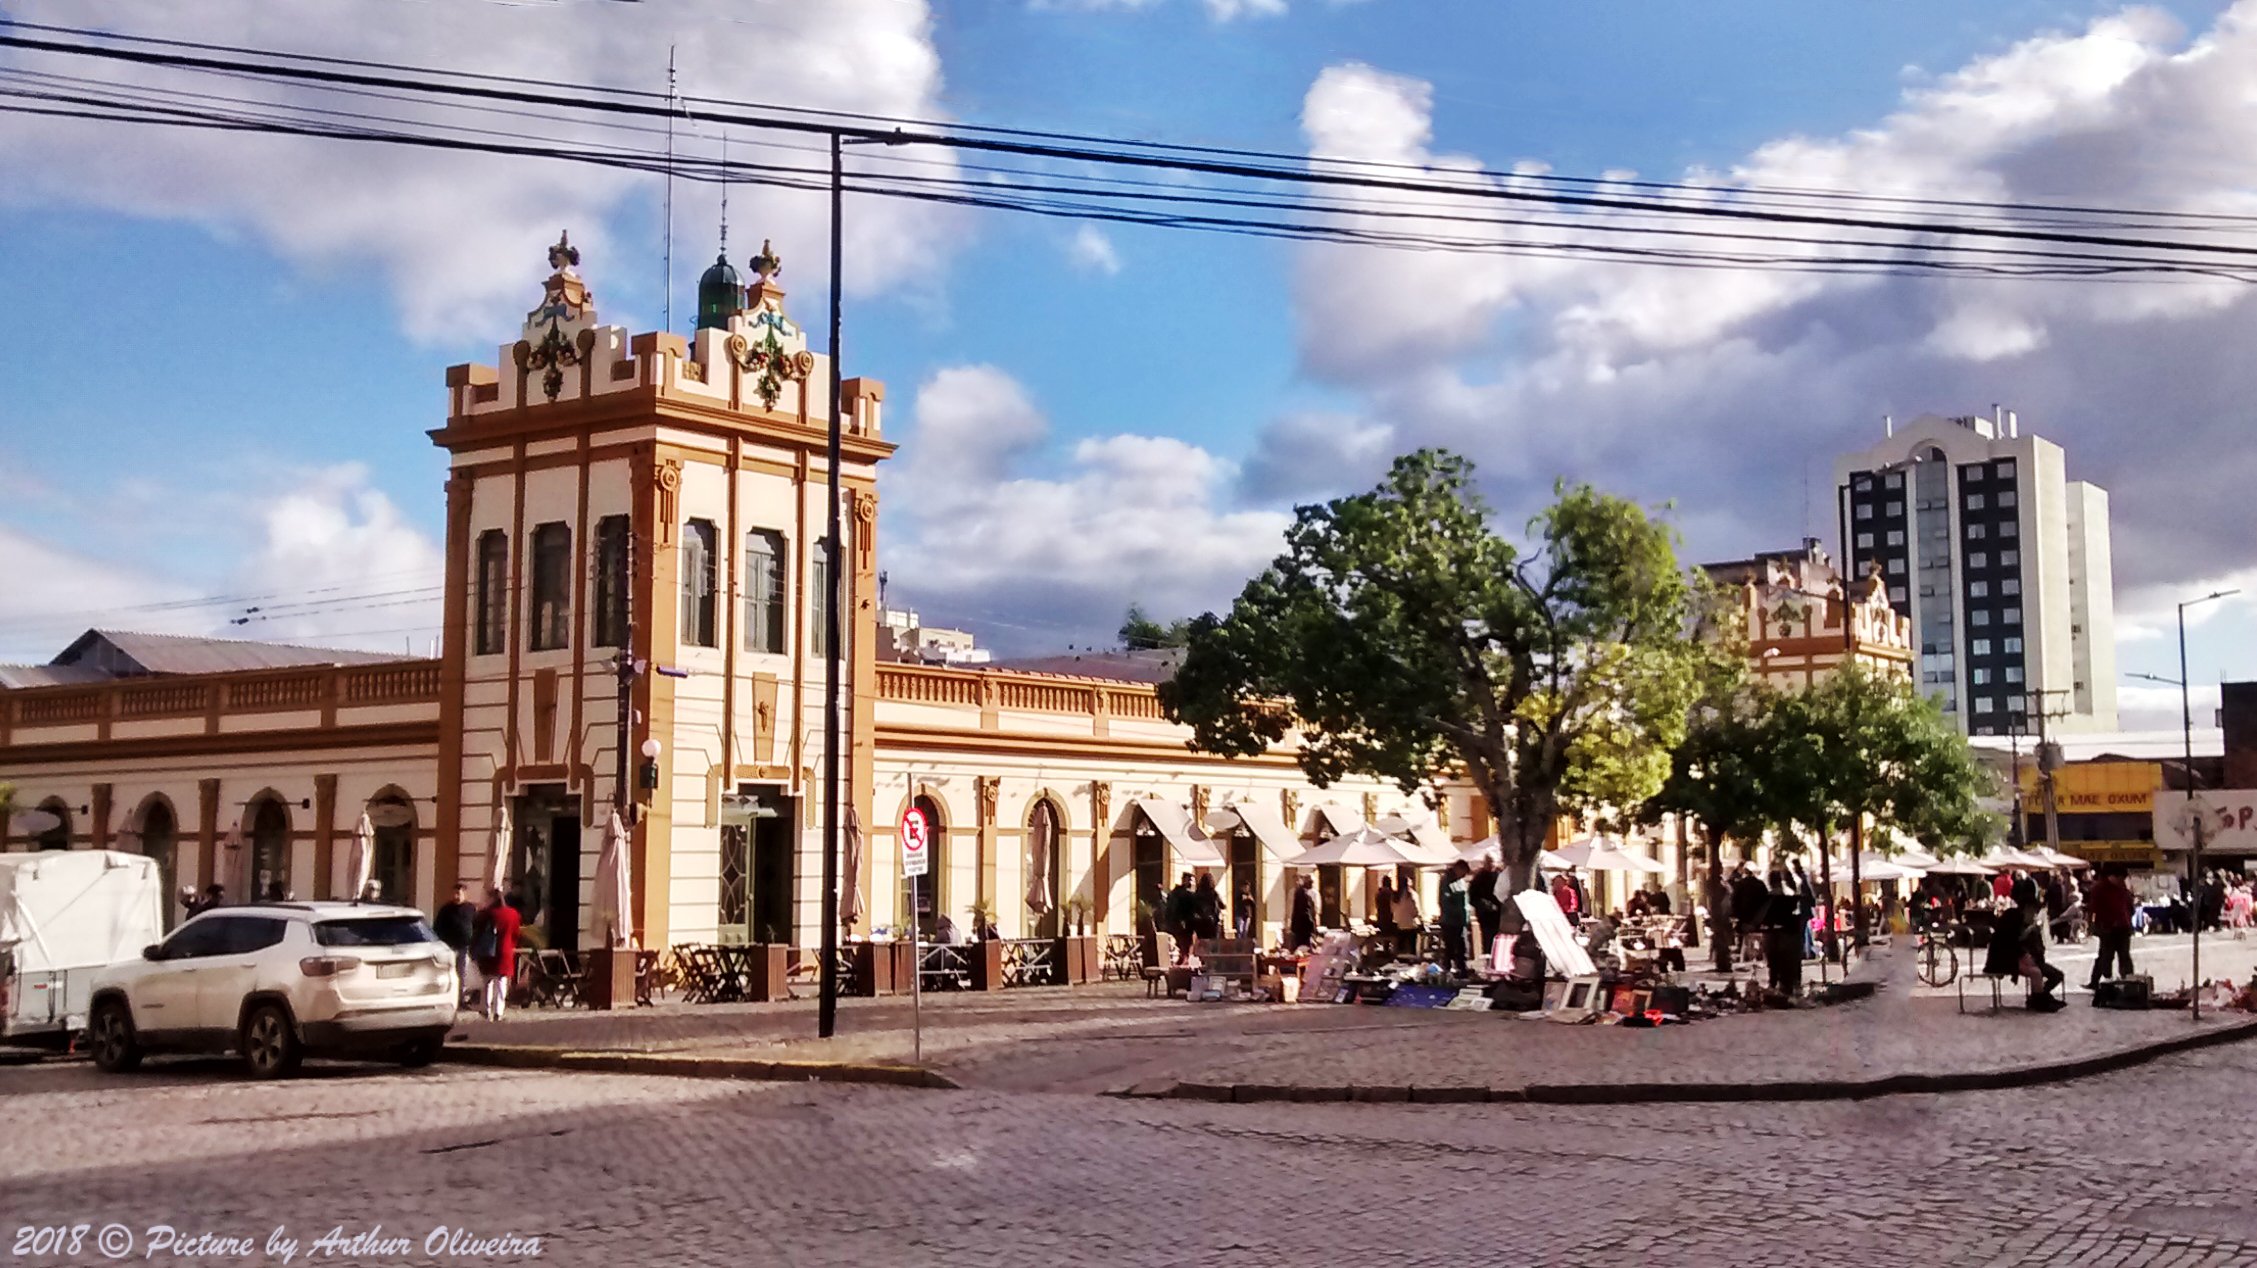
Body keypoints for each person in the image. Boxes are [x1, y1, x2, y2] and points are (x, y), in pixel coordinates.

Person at [471, 887, 522, 1021]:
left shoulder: (487, 914)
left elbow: (476, 929)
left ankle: (486, 1009)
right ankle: (499, 1011)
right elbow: (516, 934)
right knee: (501, 982)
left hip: (488, 951)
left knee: (487, 981)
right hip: (506, 950)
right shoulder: (513, 914)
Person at [2085, 863, 2136, 990]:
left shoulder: (2123, 888)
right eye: (2120, 878)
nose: (2121, 881)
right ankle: (2100, 981)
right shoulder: (2099, 888)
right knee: (2105, 956)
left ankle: (2128, 980)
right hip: (2107, 927)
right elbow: (2093, 909)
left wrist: (2128, 919)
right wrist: (2092, 926)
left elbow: (2130, 906)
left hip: (2123, 927)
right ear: (2112, 876)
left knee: (2124, 955)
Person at [1762, 871, 1803, 998]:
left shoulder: (1766, 900)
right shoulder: (1790, 897)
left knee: (1773, 964)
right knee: (1789, 964)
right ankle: (1790, 986)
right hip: (1788, 935)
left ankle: (1774, 985)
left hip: (1772, 936)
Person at [434, 884, 477, 1001]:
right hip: (449, 946)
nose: (456, 896)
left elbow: (476, 925)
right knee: (450, 972)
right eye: (455, 893)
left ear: (465, 894)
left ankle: (461, 997)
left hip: (464, 946)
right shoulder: (445, 909)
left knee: (463, 973)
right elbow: (437, 927)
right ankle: (449, 996)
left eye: (459, 893)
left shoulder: (470, 908)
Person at [1438, 861, 1473, 977]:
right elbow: (1445, 902)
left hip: (1460, 921)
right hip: (1450, 921)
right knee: (1450, 948)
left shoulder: (1461, 882)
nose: (1464, 876)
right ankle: (1448, 971)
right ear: (1458, 869)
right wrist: (1457, 913)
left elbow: (1465, 901)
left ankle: (1461, 969)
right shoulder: (1446, 881)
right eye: (1463, 873)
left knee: (1462, 947)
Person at [1470, 857, 1505, 963]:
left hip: (1500, 915)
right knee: (1488, 940)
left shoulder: (1499, 875)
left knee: (1500, 941)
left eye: (1492, 863)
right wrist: (1485, 905)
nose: (1491, 865)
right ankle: (1489, 962)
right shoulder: (1479, 878)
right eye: (1489, 863)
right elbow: (1473, 897)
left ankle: (1499, 962)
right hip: (1486, 916)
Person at [1164, 873, 1197, 963]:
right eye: (1190, 880)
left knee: (1184, 946)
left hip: (1178, 924)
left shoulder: (1175, 892)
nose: (1192, 883)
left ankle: (1182, 961)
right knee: (1186, 945)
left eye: (1193, 881)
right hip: (1182, 924)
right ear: (1184, 880)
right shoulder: (1184, 894)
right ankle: (1183, 963)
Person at [1190, 872, 1223, 958]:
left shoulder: (1197, 893)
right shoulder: (1213, 893)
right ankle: (1211, 958)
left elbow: (1193, 906)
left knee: (1202, 941)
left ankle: (1202, 959)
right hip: (1211, 921)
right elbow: (1222, 905)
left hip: (1199, 921)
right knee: (1212, 941)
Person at [1389, 874, 1422, 956]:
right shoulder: (1411, 895)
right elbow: (1415, 911)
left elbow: (1392, 910)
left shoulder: (1394, 896)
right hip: (1410, 925)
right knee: (1411, 949)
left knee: (1400, 949)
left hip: (1398, 924)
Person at [1288, 875, 1318, 951]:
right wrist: (1312, 926)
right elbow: (1306, 912)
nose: (1312, 884)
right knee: (1305, 949)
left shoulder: (1299, 892)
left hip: (1298, 927)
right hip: (1304, 929)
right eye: (1310, 882)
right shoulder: (1304, 894)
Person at [1373, 876, 1399, 943]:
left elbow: (1377, 905)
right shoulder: (1390, 893)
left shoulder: (1379, 893)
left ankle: (1386, 948)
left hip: (1380, 918)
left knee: (1384, 936)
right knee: (1393, 936)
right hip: (1389, 918)